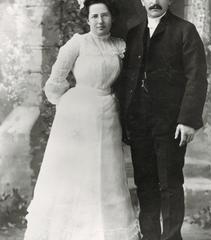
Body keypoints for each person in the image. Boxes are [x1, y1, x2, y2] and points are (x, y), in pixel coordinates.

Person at [23, 0, 140, 239]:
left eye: (104, 16)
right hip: (77, 115)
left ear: (112, 18)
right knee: (75, 173)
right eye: (95, 16)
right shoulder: (77, 43)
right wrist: (67, 104)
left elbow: (129, 79)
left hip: (108, 113)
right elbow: (55, 81)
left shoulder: (120, 46)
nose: (100, 21)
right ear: (87, 19)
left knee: (106, 173)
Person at [115, 0, 208, 239]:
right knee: (145, 185)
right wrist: (126, 120)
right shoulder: (135, 33)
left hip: (170, 123)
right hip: (139, 122)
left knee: (169, 184)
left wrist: (187, 119)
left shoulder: (184, 30)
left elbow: (196, 77)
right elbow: (127, 80)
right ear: (142, 1)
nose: (155, 1)